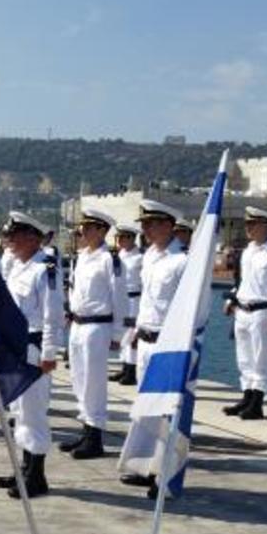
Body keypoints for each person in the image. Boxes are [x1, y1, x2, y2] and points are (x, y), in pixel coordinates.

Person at [0, 212, 64, 498]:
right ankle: (24, 468)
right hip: (15, 348)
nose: (8, 240)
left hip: (34, 350)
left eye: (14, 235)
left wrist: (48, 354)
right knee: (19, 411)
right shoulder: (19, 267)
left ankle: (37, 477)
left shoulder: (45, 270)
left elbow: (52, 316)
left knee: (33, 412)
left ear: (32, 237)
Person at [117, 200, 188, 492]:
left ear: (169, 225)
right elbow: (147, 301)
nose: (145, 228)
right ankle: (147, 466)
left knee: (168, 413)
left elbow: (194, 311)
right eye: (143, 223)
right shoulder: (150, 257)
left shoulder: (183, 262)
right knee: (147, 410)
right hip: (145, 342)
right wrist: (134, 330)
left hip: (167, 344)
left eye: (151, 223)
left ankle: (166, 475)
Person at [58, 209, 127, 460]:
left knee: (94, 383)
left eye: (89, 228)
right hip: (77, 324)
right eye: (82, 228)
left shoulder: (110, 260)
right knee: (78, 378)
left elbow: (119, 297)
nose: (83, 232)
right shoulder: (81, 257)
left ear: (102, 231)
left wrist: (118, 333)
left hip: (98, 326)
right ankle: (85, 430)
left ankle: (95, 437)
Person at [222, 207, 267, 420]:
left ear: (266, 225)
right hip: (242, 309)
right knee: (244, 357)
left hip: (262, 310)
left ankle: (257, 402)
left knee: (262, 358)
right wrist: (231, 300)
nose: (248, 228)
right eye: (247, 224)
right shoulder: (247, 252)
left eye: (253, 224)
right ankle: (246, 396)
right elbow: (240, 281)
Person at [109, 222, 142, 385]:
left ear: (131, 238)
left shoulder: (139, 258)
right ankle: (124, 367)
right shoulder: (118, 256)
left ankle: (132, 370)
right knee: (122, 332)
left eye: (122, 237)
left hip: (134, 300)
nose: (120, 240)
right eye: (118, 237)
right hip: (121, 300)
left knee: (132, 334)